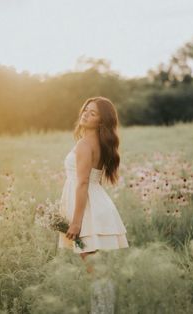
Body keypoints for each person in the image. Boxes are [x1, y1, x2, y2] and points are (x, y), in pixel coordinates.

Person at [58, 96, 129, 272]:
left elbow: (82, 183)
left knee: (92, 267)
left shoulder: (84, 144)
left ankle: (103, 299)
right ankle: (105, 297)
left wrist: (76, 222)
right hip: (95, 202)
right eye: (85, 110)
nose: (86, 115)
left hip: (87, 207)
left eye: (93, 113)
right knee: (95, 264)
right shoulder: (100, 143)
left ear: (101, 121)